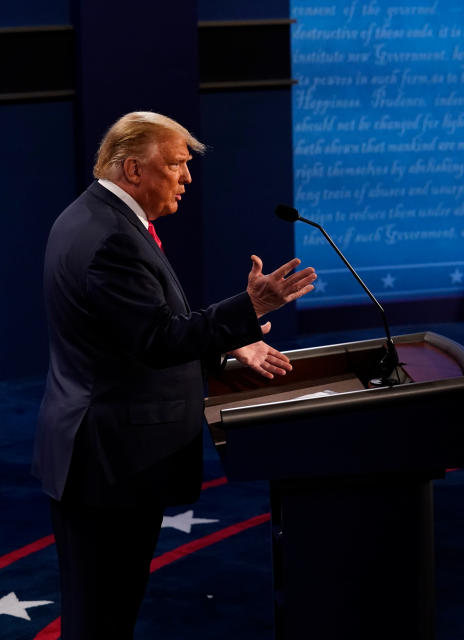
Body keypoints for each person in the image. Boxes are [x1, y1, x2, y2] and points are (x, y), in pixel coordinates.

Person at [32, 111, 317, 639]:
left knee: (102, 612)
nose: (186, 178)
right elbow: (157, 341)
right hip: (110, 461)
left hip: (98, 452)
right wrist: (248, 308)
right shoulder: (112, 239)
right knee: (102, 616)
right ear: (133, 169)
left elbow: (128, 336)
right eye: (177, 166)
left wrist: (232, 342)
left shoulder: (90, 217)